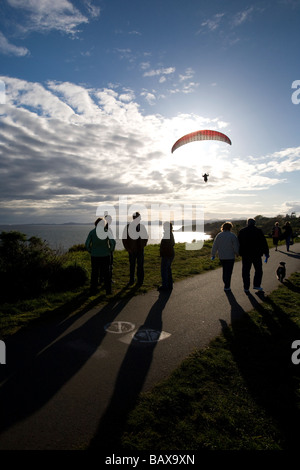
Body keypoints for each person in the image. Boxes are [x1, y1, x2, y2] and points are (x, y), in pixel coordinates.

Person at [238, 218, 269, 293]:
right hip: (256, 254)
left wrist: (238, 252)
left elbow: (238, 243)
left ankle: (246, 287)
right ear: (255, 223)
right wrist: (266, 253)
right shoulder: (258, 231)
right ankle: (257, 285)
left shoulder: (242, 231)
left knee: (245, 271)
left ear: (247, 223)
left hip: (246, 254)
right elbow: (264, 243)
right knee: (258, 270)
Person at [85, 218, 116, 295]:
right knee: (107, 273)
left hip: (95, 255)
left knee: (94, 273)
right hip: (105, 255)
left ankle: (93, 290)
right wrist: (110, 250)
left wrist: (90, 251)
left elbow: (87, 244)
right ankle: (108, 291)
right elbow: (113, 242)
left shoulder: (92, 232)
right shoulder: (106, 232)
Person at [211, 221, 239, 292]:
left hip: (222, 257)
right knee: (229, 272)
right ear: (230, 228)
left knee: (224, 271)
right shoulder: (232, 235)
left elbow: (215, 246)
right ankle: (227, 286)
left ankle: (226, 284)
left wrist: (213, 254)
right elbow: (235, 246)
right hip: (230, 257)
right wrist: (237, 253)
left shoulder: (219, 235)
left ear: (222, 228)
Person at [122, 212, 148, 286]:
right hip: (132, 250)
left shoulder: (142, 227)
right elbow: (124, 239)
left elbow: (146, 237)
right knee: (132, 266)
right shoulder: (128, 227)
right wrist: (128, 249)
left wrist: (143, 245)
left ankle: (140, 281)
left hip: (140, 250)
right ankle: (131, 280)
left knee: (140, 266)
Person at [159, 222, 175, 291]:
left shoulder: (167, 234)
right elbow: (173, 243)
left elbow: (165, 245)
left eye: (164, 226)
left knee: (164, 270)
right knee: (168, 270)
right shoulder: (170, 233)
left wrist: (162, 251)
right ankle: (169, 285)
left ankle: (165, 286)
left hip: (167, 254)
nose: (163, 227)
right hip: (170, 253)